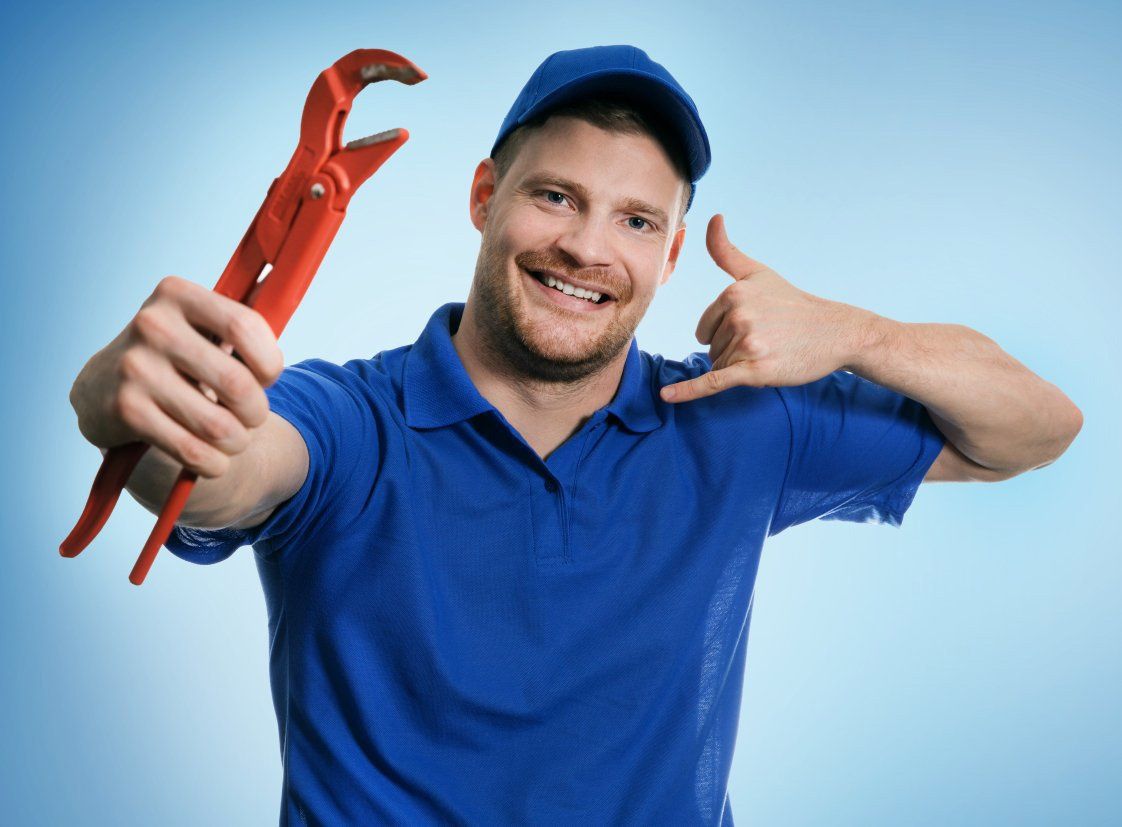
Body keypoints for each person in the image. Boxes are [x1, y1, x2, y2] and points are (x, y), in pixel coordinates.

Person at [68, 45, 1082, 826]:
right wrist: (146, 405)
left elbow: (1035, 428)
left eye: (637, 220)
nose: (587, 247)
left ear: (673, 250)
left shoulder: (739, 417)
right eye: (556, 195)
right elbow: (222, 472)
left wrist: (859, 334)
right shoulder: (352, 419)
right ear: (484, 196)